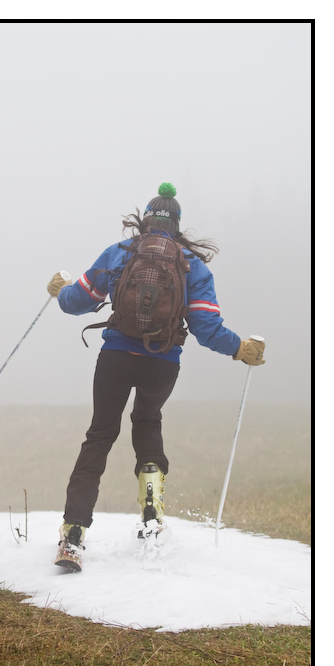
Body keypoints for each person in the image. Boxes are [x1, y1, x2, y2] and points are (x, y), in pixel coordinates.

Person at [47, 183, 265, 571]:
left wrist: (60, 289)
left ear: (145, 219)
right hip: (163, 363)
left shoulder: (120, 253)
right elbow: (205, 326)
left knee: (100, 436)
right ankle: (151, 515)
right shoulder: (190, 264)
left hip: (115, 356)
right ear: (177, 224)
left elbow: (76, 301)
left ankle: (74, 533)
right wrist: (238, 348)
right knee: (147, 423)